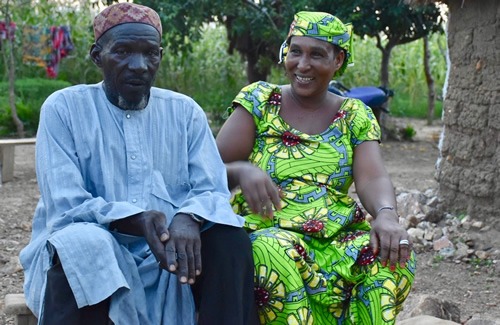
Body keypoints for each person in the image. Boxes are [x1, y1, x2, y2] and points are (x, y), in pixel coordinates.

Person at [19, 3, 258, 325]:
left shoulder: (184, 112)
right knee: (83, 243)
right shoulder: (63, 109)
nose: (139, 65)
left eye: (150, 54)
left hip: (170, 256)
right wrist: (133, 220)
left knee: (229, 239)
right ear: (96, 56)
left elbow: (210, 188)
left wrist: (188, 217)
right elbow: (65, 203)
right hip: (96, 249)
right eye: (122, 52)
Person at [216, 11, 416, 324]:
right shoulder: (260, 102)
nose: (303, 65)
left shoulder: (355, 115)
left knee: (394, 253)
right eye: (295, 51)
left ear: (338, 60)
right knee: (271, 252)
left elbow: (372, 177)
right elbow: (206, 170)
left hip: (336, 234)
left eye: (317, 54)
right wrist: (242, 171)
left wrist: (387, 215)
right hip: (269, 229)